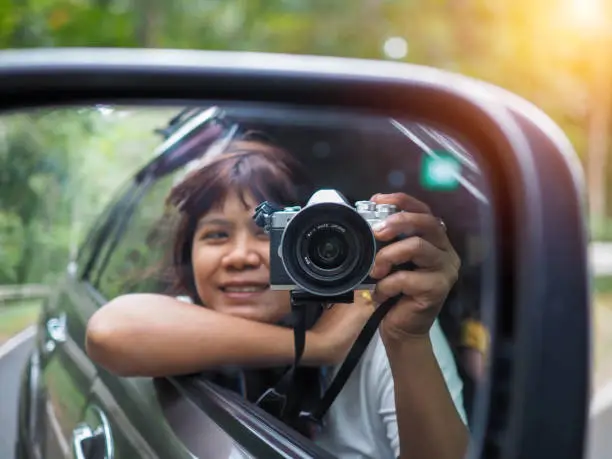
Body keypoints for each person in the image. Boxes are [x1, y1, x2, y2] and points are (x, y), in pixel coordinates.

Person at [86, 134, 469, 459]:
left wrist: (407, 341)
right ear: (187, 257)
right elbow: (108, 332)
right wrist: (318, 345)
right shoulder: (183, 326)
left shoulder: (384, 328)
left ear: (317, 238)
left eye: (269, 232)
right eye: (216, 235)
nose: (240, 257)